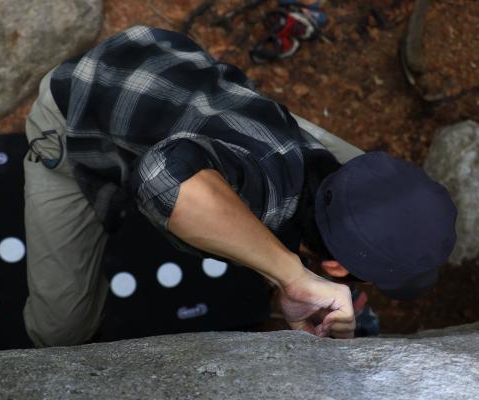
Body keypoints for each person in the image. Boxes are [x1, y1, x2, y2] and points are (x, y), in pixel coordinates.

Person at [23, 25, 457, 347]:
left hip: (162, 58)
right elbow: (161, 176)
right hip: (75, 109)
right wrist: (291, 277)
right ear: (336, 269)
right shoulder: (266, 197)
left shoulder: (355, 172)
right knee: (59, 331)